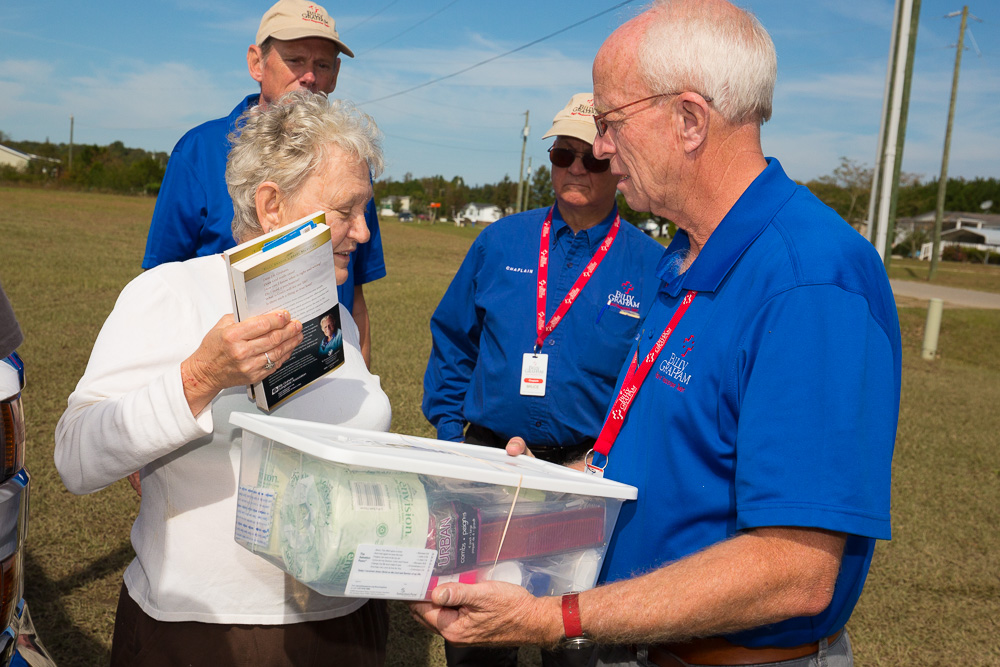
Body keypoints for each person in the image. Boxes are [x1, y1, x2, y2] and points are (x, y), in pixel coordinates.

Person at [411, 2, 902, 667]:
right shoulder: (684, 258)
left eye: (611, 123)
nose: (601, 149)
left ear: (690, 120)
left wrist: (558, 617)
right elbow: (654, 458)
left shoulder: (808, 280)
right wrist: (543, 489)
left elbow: (794, 569)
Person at [55, 92, 391, 667]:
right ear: (271, 205)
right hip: (204, 633)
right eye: (345, 210)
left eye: (366, 210)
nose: (362, 232)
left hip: (346, 625)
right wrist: (200, 378)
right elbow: (76, 457)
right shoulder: (170, 294)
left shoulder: (332, 317)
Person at [422, 92, 664, 667]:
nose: (576, 167)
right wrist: (454, 438)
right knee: (477, 635)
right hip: (486, 466)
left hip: (583, 476)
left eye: (593, 158)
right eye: (563, 153)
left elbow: (653, 388)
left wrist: (607, 466)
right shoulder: (500, 241)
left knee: (574, 641)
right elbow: (455, 340)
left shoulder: (652, 266)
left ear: (616, 160)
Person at [142, 0, 383, 367]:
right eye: (296, 60)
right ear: (257, 62)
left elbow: (357, 298)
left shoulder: (349, 164)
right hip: (230, 376)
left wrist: (361, 385)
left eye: (321, 65)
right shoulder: (201, 149)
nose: (309, 77)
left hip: (324, 364)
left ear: (335, 75)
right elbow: (159, 282)